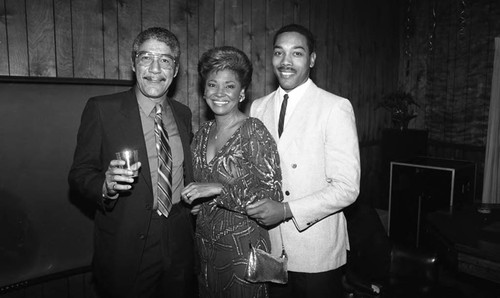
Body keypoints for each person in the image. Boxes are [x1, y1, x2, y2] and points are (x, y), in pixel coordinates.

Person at [68, 27, 196, 298]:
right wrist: (105, 186)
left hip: (178, 239)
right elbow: (79, 174)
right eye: (146, 57)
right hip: (126, 245)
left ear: (175, 70)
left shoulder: (183, 114)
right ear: (133, 63)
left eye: (165, 60)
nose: (154, 68)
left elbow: (187, 174)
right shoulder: (102, 109)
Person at [247, 24, 361, 297]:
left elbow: (347, 188)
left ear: (311, 59)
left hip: (316, 252)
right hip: (270, 248)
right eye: (278, 53)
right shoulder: (257, 107)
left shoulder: (334, 107)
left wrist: (286, 210)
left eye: (296, 53)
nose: (285, 62)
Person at [180, 46, 283, 298]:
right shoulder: (203, 133)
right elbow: (200, 186)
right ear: (203, 91)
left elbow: (273, 196)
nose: (219, 93)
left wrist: (219, 189)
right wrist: (200, 204)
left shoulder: (253, 130)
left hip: (243, 250)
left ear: (242, 93)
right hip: (205, 247)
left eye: (229, 86)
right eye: (212, 85)